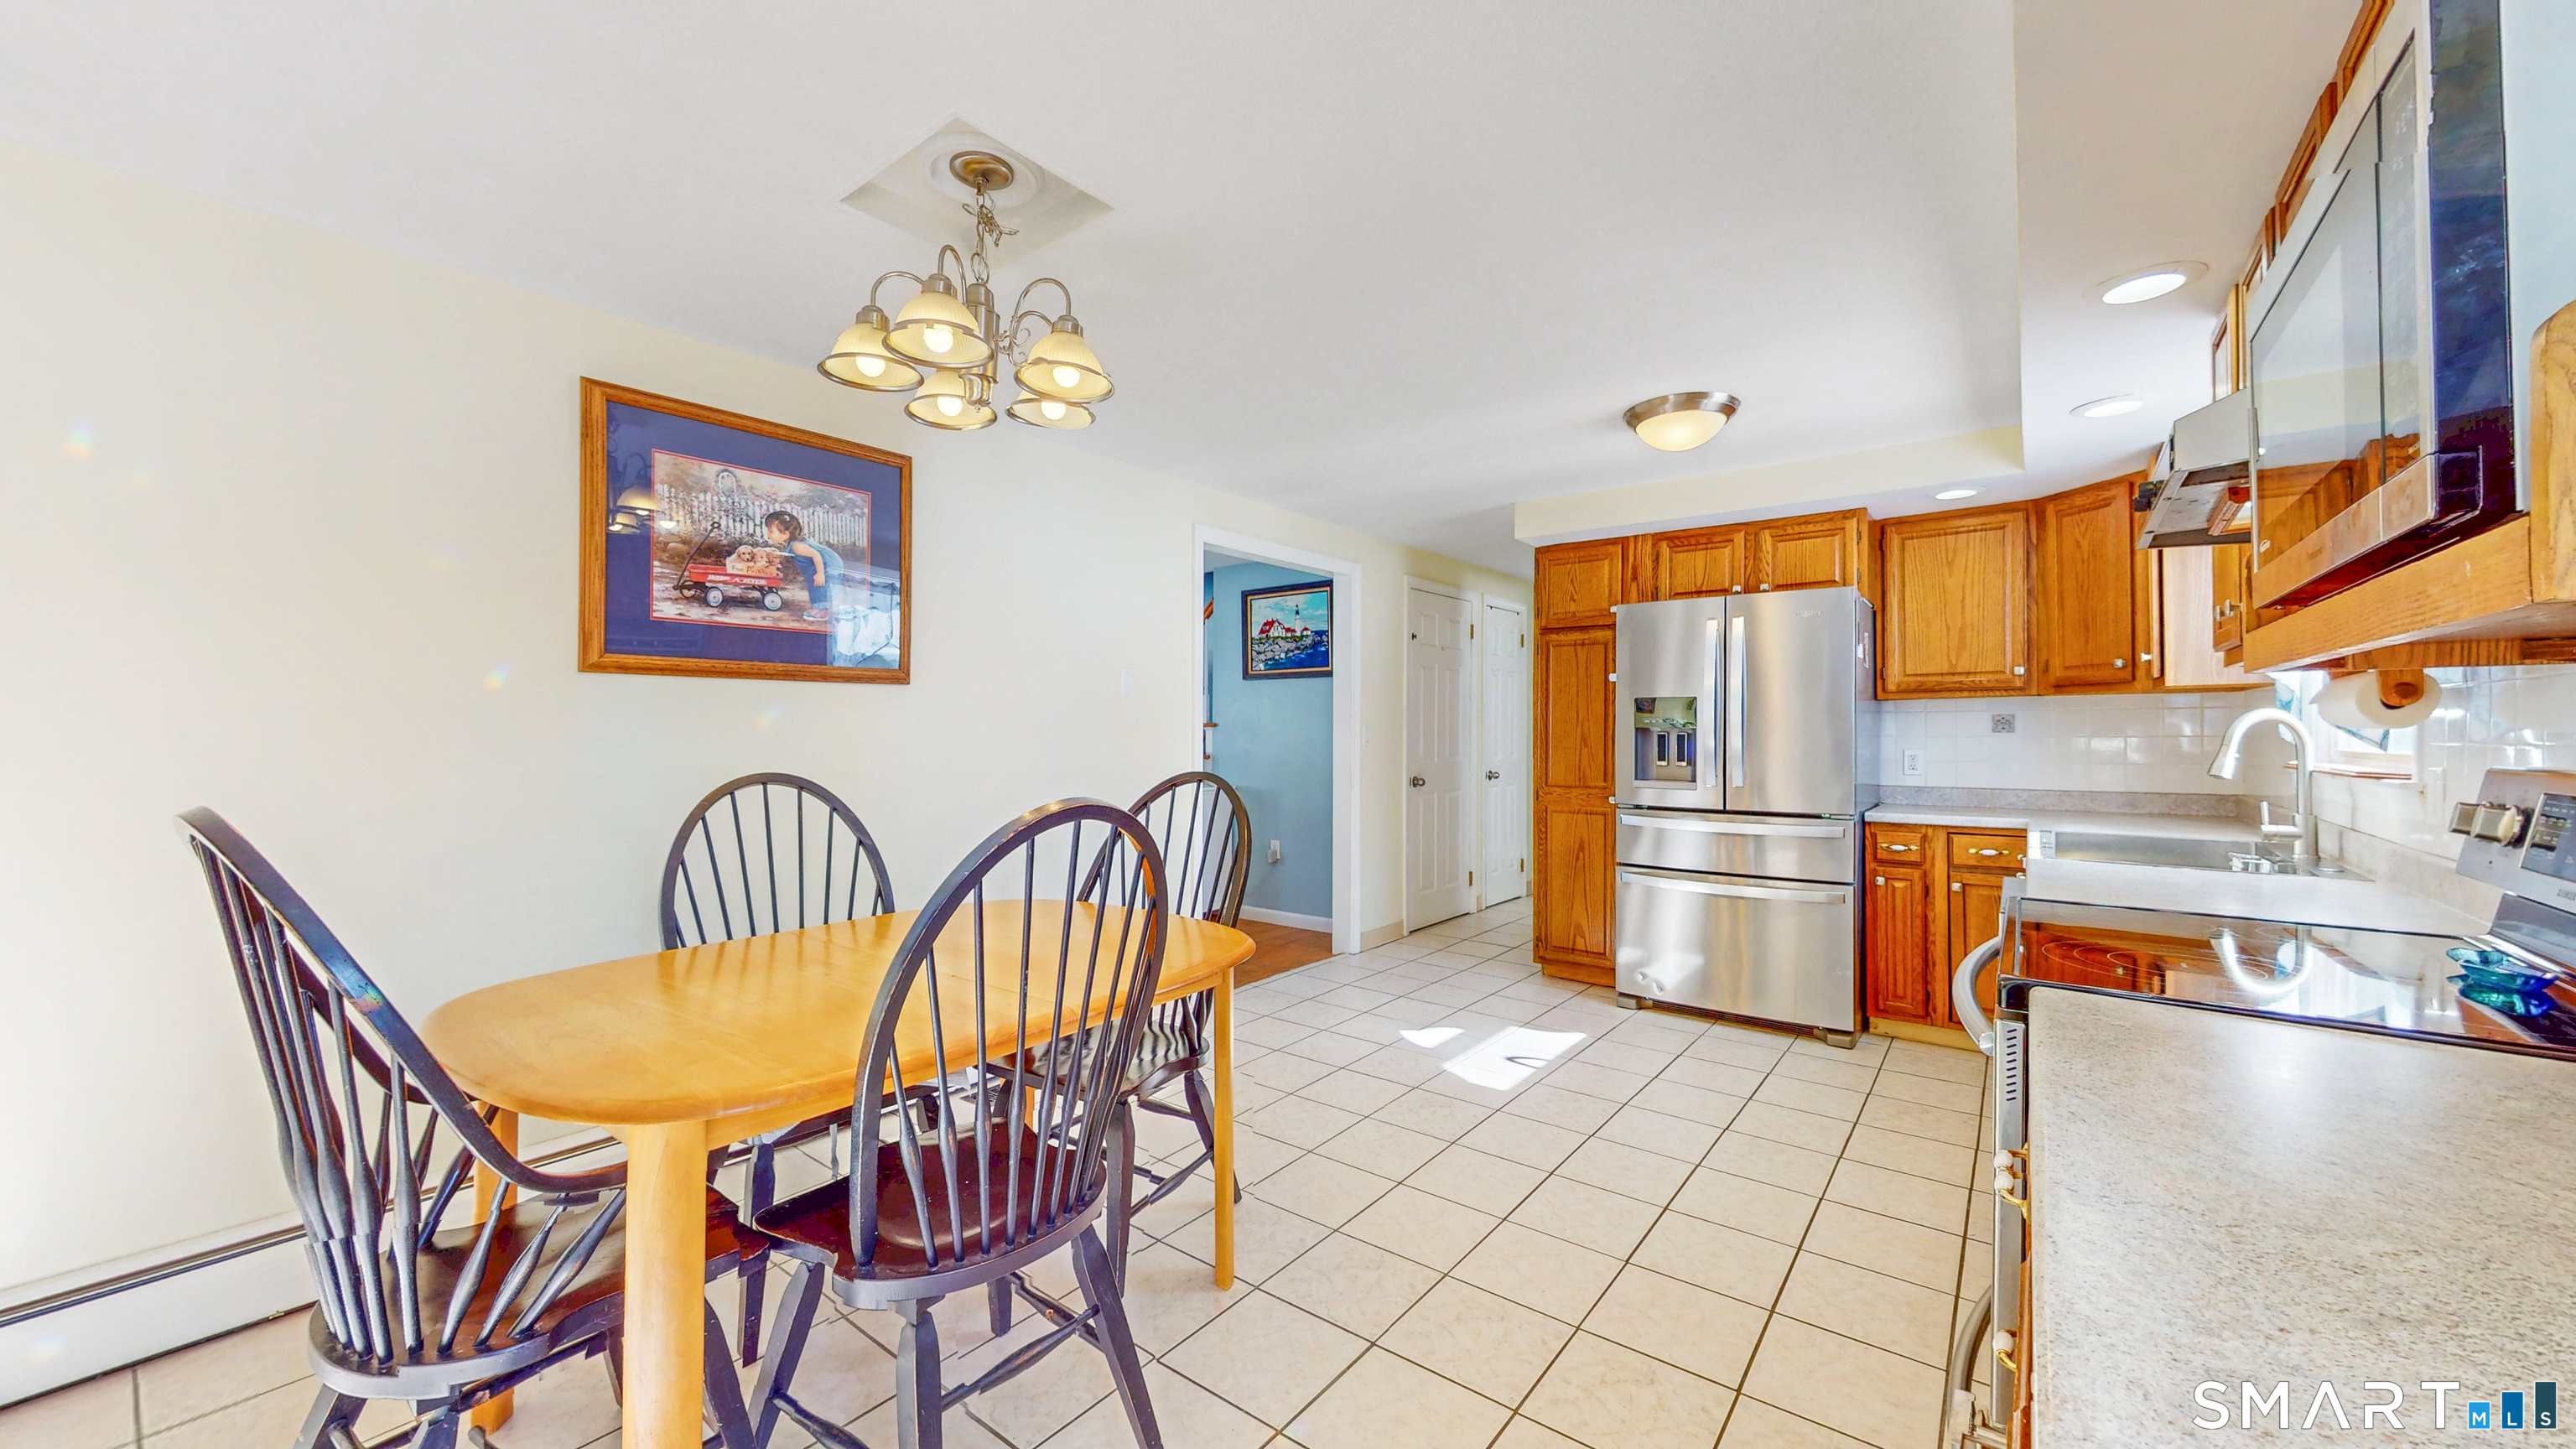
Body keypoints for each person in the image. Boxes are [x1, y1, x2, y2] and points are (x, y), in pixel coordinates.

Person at [763, 510, 840, 624]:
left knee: (819, 587)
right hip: (815, 567)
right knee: (814, 585)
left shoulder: (797, 546)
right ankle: (819, 608)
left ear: (785, 534)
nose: (768, 534)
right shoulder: (792, 545)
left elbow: (816, 555)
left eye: (771, 531)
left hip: (828, 566)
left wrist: (820, 574)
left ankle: (822, 612)